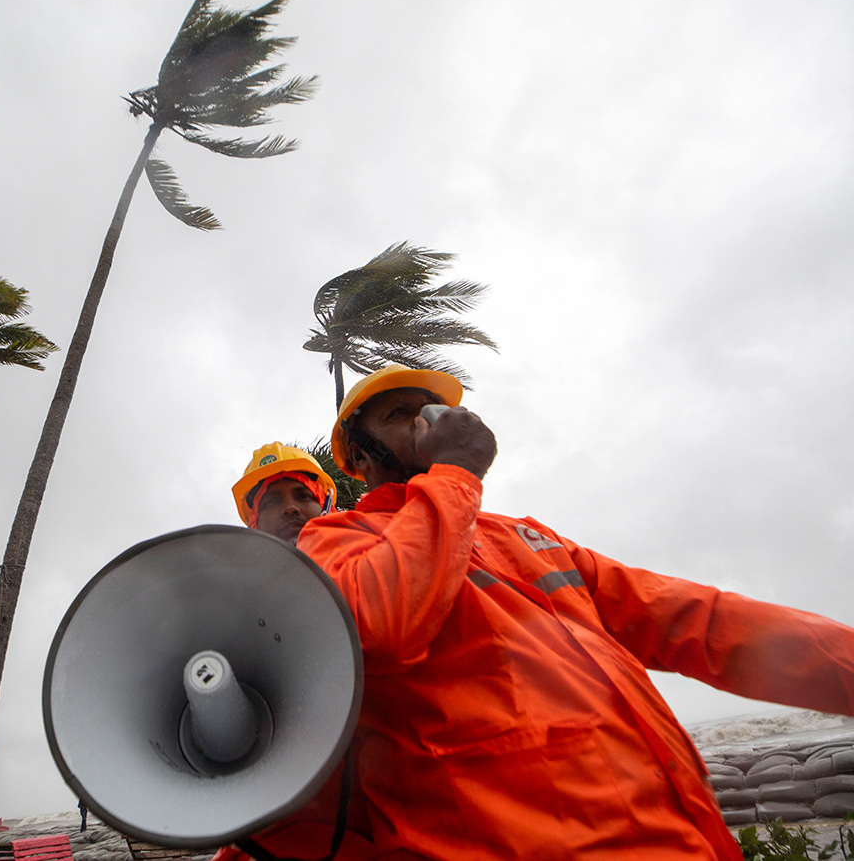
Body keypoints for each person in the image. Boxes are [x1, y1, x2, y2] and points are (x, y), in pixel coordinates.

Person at [295, 364, 854, 861]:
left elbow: (695, 619)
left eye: (430, 408)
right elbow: (384, 624)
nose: (427, 420)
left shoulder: (528, 537)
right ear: (363, 456)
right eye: (401, 414)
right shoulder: (336, 539)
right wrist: (456, 474)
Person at [213, 442, 376, 861]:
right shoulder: (224, 602)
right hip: (280, 829)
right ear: (253, 520)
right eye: (274, 500)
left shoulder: (368, 566)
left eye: (303, 495)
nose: (291, 508)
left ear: (323, 505)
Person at [231, 442, 337, 545]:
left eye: (303, 496)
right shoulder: (232, 562)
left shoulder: (353, 553)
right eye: (271, 502)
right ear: (254, 523)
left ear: (326, 506)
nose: (290, 508)